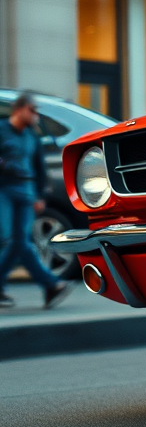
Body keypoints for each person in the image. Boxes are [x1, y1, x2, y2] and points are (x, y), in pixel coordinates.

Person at [0, 93, 71, 308]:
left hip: (27, 190)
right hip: (4, 189)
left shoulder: (32, 137)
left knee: (19, 241)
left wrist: (40, 196)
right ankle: (50, 284)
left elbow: (40, 168)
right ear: (18, 109)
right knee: (9, 238)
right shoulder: (2, 129)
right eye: (32, 110)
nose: (35, 115)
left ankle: (50, 285)